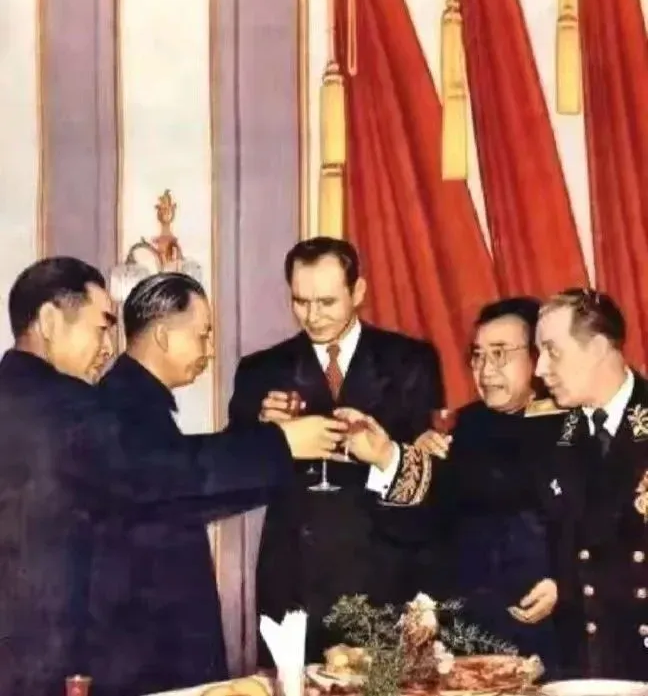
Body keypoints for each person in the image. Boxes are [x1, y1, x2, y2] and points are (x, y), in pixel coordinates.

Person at [0, 258, 344, 696]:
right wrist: (279, 442)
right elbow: (170, 473)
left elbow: (166, 485)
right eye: (101, 328)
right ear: (50, 321)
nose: (107, 347)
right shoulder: (70, 405)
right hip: (65, 654)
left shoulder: (23, 396)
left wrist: (270, 443)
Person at [228, 236, 445, 661]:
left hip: (384, 576)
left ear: (358, 291)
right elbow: (235, 475)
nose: (313, 316)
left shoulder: (410, 361)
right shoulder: (260, 370)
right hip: (294, 580)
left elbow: (427, 476)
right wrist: (264, 436)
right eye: (300, 301)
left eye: (326, 302)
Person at [413, 298, 563, 673]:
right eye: (478, 356)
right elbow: (427, 534)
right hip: (468, 636)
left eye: (500, 354)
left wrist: (566, 582)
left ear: (537, 357)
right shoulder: (457, 427)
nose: (485, 369)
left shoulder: (571, 424)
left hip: (550, 632)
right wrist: (417, 466)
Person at [534, 288, 648, 679]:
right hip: (583, 665)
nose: (540, 369)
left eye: (553, 352)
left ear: (598, 348)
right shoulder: (552, 433)